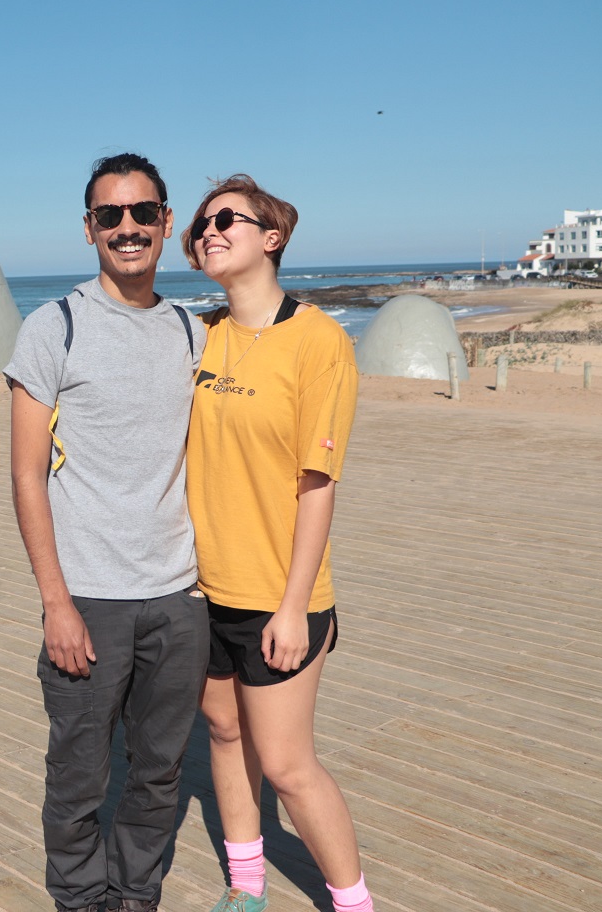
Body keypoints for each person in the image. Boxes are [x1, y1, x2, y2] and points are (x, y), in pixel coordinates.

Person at [4, 153, 210, 912]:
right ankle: (80, 900)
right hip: (88, 599)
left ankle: (135, 895)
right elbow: (27, 474)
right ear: (89, 228)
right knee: (79, 777)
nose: (128, 228)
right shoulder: (52, 328)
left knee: (158, 774)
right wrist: (56, 603)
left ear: (166, 221)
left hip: (179, 597)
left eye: (143, 213)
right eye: (110, 215)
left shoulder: (192, 333)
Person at [182, 175, 373, 912]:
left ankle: (354, 903)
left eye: (226, 219)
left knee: (289, 767)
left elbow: (317, 484)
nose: (209, 231)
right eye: (200, 225)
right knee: (226, 734)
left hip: (278, 597)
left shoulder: (319, 341)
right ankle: (247, 886)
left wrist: (295, 607)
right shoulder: (199, 335)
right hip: (200, 588)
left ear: (273, 237)